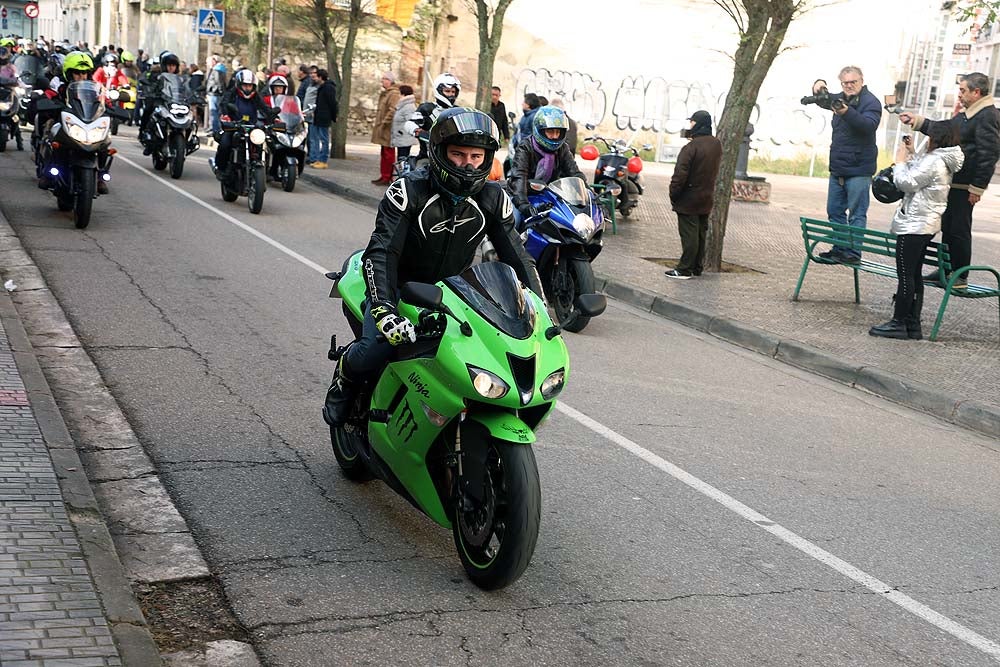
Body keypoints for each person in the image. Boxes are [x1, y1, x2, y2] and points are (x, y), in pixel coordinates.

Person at [322, 108, 544, 426]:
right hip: (398, 287)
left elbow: (518, 258)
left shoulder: (494, 199)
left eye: (476, 156)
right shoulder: (408, 191)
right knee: (377, 345)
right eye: (457, 154)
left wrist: (540, 310)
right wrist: (385, 310)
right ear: (438, 152)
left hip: (455, 293)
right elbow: (381, 252)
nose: (468, 164)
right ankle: (345, 378)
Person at [900, 72, 1000, 290]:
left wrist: (978, 187)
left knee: (959, 229)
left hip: (966, 184)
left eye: (963, 90)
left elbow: (989, 154)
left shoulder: (987, 115)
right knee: (948, 226)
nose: (959, 95)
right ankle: (946, 270)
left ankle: (960, 276)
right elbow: (945, 129)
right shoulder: (969, 114)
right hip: (955, 181)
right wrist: (917, 121)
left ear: (977, 92)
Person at [870, 125, 964, 339]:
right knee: (913, 274)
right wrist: (912, 153)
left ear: (937, 139)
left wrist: (901, 161)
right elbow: (921, 174)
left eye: (929, 136)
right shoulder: (941, 159)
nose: (927, 140)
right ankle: (912, 324)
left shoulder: (935, 160)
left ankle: (899, 322)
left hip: (914, 223)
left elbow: (908, 182)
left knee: (906, 274)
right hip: (925, 223)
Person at [816, 66, 881, 263]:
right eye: (845, 83)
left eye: (853, 82)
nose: (849, 86)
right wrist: (818, 85)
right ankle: (839, 249)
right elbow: (822, 100)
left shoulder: (871, 102)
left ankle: (853, 253)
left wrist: (846, 112)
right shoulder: (840, 98)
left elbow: (868, 125)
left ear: (862, 81)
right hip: (838, 168)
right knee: (834, 211)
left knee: (857, 214)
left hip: (859, 169)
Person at [664, 110, 723, 280]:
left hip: (688, 198)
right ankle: (697, 266)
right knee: (700, 234)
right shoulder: (716, 144)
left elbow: (680, 175)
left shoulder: (690, 148)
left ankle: (684, 269)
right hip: (706, 196)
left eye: (692, 122)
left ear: (697, 124)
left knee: (689, 235)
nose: (689, 125)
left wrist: (673, 194)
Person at [507, 105, 584, 229]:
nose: (554, 136)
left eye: (558, 132)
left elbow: (574, 173)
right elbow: (519, 177)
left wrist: (592, 199)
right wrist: (523, 205)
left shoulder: (563, 148)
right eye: (550, 131)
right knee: (513, 222)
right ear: (540, 130)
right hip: (522, 194)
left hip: (549, 194)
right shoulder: (525, 147)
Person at [211, 69, 274, 180]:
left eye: (250, 86)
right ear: (239, 85)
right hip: (234, 126)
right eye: (245, 85)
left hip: (251, 128)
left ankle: (266, 171)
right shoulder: (232, 94)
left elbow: (264, 108)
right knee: (225, 144)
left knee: (265, 144)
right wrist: (226, 115)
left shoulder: (256, 96)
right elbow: (224, 104)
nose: (247, 88)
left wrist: (273, 117)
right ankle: (221, 168)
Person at [404, 72, 460, 159]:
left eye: (453, 92)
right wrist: (418, 131)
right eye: (447, 91)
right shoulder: (427, 108)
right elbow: (409, 124)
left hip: (452, 157)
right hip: (428, 156)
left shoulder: (458, 110)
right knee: (420, 171)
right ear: (438, 90)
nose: (451, 95)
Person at [139, 51, 183, 152]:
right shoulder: (158, 76)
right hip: (161, 100)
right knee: (150, 110)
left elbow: (186, 89)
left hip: (175, 102)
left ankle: (189, 139)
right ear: (164, 65)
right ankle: (146, 134)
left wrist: (193, 96)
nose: (171, 68)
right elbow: (150, 84)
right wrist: (151, 91)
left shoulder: (181, 79)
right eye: (169, 65)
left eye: (174, 65)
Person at [370, 71, 400, 184]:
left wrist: (384, 122)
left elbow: (392, 110)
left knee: (388, 153)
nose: (382, 81)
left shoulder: (394, 94)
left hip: (388, 128)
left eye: (384, 79)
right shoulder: (386, 93)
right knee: (383, 152)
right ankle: (383, 175)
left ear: (390, 81)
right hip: (383, 127)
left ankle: (388, 176)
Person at [308, 68, 337, 169]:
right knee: (318, 138)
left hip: (324, 116)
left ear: (321, 77)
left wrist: (333, 116)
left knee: (324, 139)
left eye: (317, 77)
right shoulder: (323, 87)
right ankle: (318, 159)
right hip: (319, 116)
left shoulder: (328, 88)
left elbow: (332, 103)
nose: (315, 79)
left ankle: (323, 160)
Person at [391, 84, 417, 161]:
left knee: (403, 159)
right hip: (401, 137)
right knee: (401, 158)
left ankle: (403, 172)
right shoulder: (402, 105)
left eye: (399, 93)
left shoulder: (408, 106)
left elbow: (411, 121)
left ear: (403, 94)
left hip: (405, 137)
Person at [205, 55, 227, 135]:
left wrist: (221, 93)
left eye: (209, 62)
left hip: (214, 94)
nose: (207, 64)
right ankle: (214, 128)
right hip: (214, 93)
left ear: (214, 61)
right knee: (215, 112)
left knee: (213, 112)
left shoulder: (217, 70)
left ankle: (215, 130)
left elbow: (218, 82)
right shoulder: (219, 69)